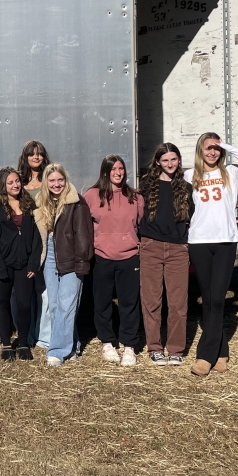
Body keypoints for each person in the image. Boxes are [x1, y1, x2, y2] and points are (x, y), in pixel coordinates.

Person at [185, 133, 238, 377]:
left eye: (217, 149)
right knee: (208, 298)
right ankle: (221, 351)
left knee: (217, 298)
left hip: (226, 241)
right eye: (208, 148)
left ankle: (205, 356)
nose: (213, 152)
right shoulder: (190, 175)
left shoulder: (232, 172)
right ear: (200, 150)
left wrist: (227, 145)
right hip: (199, 241)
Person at [139, 143, 194, 366]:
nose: (169, 164)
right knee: (152, 301)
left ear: (179, 161)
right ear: (158, 163)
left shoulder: (186, 187)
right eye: (165, 160)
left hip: (178, 250)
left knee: (178, 303)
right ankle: (154, 347)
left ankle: (176, 350)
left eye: (173, 159)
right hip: (150, 246)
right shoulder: (146, 186)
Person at [87, 155, 145, 367]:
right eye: (113, 169)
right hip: (102, 256)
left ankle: (129, 346)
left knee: (129, 303)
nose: (118, 172)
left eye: (121, 168)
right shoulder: (92, 196)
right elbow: (85, 226)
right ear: (105, 172)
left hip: (129, 256)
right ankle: (107, 342)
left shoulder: (135, 196)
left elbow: (140, 224)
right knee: (102, 303)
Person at [35, 163, 94, 366]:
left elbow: (84, 236)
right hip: (50, 254)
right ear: (46, 182)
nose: (56, 184)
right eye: (52, 180)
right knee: (54, 305)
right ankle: (74, 345)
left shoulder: (76, 202)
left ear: (65, 180)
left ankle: (57, 351)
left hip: (71, 254)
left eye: (60, 180)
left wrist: (82, 262)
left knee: (67, 305)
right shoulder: (42, 202)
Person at [0, 167, 42, 361]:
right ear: (3, 185)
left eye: (17, 181)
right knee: (3, 302)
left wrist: (34, 263)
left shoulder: (28, 203)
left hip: (24, 263)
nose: (15, 185)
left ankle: (23, 343)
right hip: (3, 264)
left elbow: (36, 237)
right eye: (10, 182)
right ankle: (7, 344)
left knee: (25, 304)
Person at [18, 140, 52, 349]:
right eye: (32, 154)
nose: (36, 157)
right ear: (26, 157)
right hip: (23, 243)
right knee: (23, 295)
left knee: (45, 293)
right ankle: (26, 333)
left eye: (39, 154)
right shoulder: (18, 182)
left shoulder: (49, 181)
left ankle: (44, 336)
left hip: (44, 240)